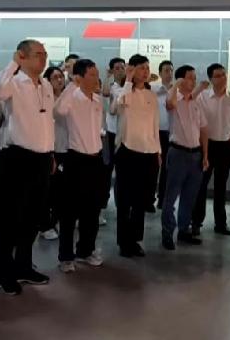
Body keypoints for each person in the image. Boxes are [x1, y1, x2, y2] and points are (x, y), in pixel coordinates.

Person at [0, 40, 54, 295]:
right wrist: (12, 65)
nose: (43, 59)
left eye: (45, 54)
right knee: (11, 218)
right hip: (17, 158)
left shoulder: (46, 85)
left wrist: (50, 152)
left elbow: (47, 121)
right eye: (38, 54)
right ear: (22, 57)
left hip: (42, 157)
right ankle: (5, 272)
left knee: (33, 217)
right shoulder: (13, 82)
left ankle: (24, 265)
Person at [53, 59, 106, 272]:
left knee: (92, 210)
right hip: (76, 160)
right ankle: (66, 257)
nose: (96, 78)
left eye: (96, 74)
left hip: (95, 159)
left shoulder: (98, 100)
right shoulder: (72, 98)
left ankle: (85, 250)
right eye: (91, 75)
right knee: (69, 211)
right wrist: (71, 85)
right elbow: (58, 111)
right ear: (80, 77)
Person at [111, 54, 160, 258]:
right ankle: (124, 242)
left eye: (147, 68)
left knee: (142, 200)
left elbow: (155, 125)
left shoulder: (151, 96)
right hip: (127, 150)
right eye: (141, 68)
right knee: (124, 200)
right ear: (131, 69)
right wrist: (129, 80)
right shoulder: (122, 90)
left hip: (149, 151)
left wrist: (158, 151)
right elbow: (116, 107)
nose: (145, 71)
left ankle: (136, 240)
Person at [160, 65, 208, 251]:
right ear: (180, 80)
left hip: (195, 154)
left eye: (194, 78)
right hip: (178, 153)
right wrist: (176, 85)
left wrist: (205, 154)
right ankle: (167, 232)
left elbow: (203, 130)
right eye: (190, 78)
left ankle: (183, 229)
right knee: (170, 196)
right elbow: (169, 104)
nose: (193, 81)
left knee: (189, 196)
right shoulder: (175, 99)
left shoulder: (196, 103)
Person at [193, 63, 230, 237]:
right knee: (201, 185)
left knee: (221, 187)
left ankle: (220, 223)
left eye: (224, 74)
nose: (223, 78)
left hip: (225, 147)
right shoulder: (203, 97)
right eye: (218, 76)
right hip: (207, 146)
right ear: (211, 79)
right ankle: (196, 222)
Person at [40, 66, 67, 241]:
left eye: (61, 76)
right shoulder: (46, 99)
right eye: (55, 77)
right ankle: (45, 225)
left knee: (62, 191)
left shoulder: (68, 98)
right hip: (51, 149)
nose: (59, 80)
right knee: (48, 191)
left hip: (67, 148)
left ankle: (56, 220)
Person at [101, 57, 126, 226]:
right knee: (106, 171)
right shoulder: (111, 86)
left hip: (125, 135)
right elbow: (104, 93)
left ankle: (122, 206)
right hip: (110, 133)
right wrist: (107, 76)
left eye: (122, 67)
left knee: (123, 173)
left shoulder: (129, 87)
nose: (120, 70)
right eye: (117, 68)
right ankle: (102, 206)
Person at [153, 60, 174, 211]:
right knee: (153, 167)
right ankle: (149, 199)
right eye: (166, 70)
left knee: (167, 168)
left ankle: (162, 199)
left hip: (171, 134)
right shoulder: (153, 89)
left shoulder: (176, 90)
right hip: (155, 132)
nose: (169, 73)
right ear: (160, 73)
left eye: (171, 70)